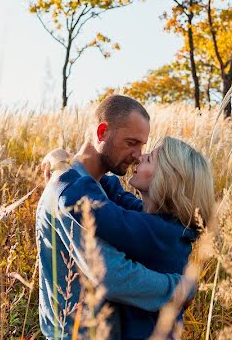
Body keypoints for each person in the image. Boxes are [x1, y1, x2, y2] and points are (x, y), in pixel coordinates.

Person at [36, 94, 187, 339]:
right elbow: (112, 276)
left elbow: (143, 222)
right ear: (103, 132)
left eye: (142, 146)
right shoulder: (66, 192)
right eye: (131, 143)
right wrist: (180, 288)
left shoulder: (101, 188)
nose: (138, 155)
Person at [44, 134, 215, 339]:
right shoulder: (162, 224)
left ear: (167, 179)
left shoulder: (160, 233)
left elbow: (103, 212)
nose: (140, 157)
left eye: (150, 159)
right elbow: (121, 199)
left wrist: (64, 171)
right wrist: (90, 167)